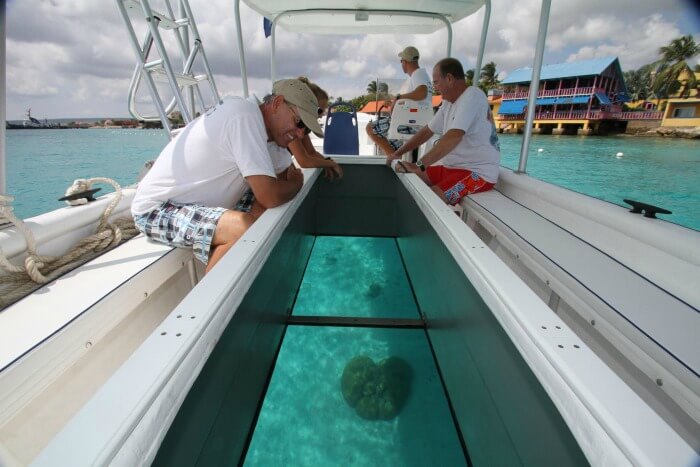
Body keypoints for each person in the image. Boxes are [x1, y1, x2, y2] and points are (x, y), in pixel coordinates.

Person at [131, 78, 323, 273]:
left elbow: (282, 178)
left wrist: (289, 180)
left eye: (306, 130)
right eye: (299, 122)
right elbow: (272, 195)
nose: (300, 134)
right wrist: (297, 183)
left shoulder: (270, 136)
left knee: (263, 212)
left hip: (198, 202)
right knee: (243, 227)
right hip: (158, 209)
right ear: (277, 103)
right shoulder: (244, 116)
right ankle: (207, 298)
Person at [387, 57, 500, 205]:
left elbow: (454, 136)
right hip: (451, 167)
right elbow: (427, 131)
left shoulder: (473, 96)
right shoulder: (448, 102)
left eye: (436, 82)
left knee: (431, 198)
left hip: (477, 173)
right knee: (414, 177)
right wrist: (398, 153)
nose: (435, 87)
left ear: (449, 78)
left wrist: (419, 165)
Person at [366, 46, 432, 157]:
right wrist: (395, 103)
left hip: (410, 126)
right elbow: (416, 99)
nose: (401, 64)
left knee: (370, 128)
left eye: (401, 61)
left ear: (405, 62)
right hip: (416, 124)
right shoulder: (422, 75)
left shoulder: (418, 74)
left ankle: (393, 158)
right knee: (387, 137)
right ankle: (396, 157)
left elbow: (422, 92)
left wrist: (398, 97)